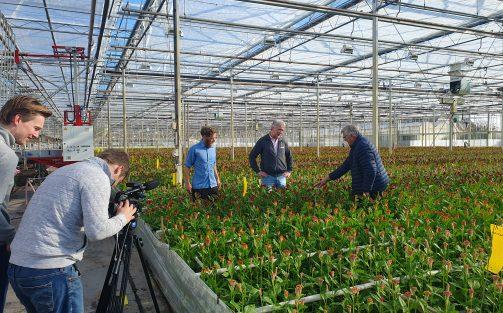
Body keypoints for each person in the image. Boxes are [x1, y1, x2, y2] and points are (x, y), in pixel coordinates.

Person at [8, 149, 137, 313]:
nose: (112, 185)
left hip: (19, 268)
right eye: (116, 182)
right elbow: (97, 231)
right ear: (118, 169)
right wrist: (123, 217)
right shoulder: (97, 176)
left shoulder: (67, 170)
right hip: (50, 271)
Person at [0, 95, 52, 312]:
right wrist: (9, 239)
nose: (36, 135)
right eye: (36, 127)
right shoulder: (5, 155)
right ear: (18, 119)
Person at [315, 125, 389, 200]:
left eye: (345, 137)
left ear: (352, 136)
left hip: (374, 186)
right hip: (370, 184)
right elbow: (345, 166)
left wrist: (366, 191)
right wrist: (326, 179)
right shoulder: (356, 146)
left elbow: (371, 170)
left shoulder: (363, 147)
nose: (344, 140)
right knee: (356, 203)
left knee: (363, 206)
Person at [249, 119, 293, 189]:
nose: (281, 132)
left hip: (281, 176)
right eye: (279, 129)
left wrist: (289, 171)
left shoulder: (283, 141)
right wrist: (258, 171)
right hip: (267, 177)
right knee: (267, 197)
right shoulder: (263, 141)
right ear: (272, 128)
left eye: (283, 130)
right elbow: (252, 156)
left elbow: (289, 156)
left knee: (282, 197)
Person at [184, 126, 221, 201]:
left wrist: (217, 179)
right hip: (199, 187)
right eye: (211, 138)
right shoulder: (194, 149)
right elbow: (187, 166)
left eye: (215, 138)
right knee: (200, 210)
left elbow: (213, 165)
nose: (214, 140)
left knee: (215, 209)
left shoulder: (213, 149)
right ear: (204, 137)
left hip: (213, 185)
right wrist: (187, 183)